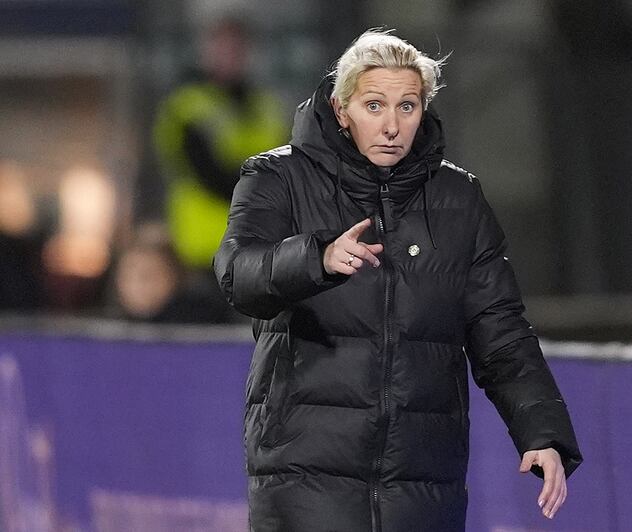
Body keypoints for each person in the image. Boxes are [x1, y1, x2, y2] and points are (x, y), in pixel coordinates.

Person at [214, 30, 582, 531]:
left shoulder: (459, 199)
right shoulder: (278, 178)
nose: (391, 125)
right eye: (374, 105)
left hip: (423, 478)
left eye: (407, 107)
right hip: (305, 473)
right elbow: (239, 275)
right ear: (342, 110)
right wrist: (316, 259)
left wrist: (541, 432)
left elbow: (500, 328)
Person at [154, 16, 289, 272]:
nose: (231, 56)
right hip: (202, 248)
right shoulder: (188, 106)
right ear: (206, 51)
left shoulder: (266, 106)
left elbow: (289, 165)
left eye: (237, 49)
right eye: (223, 48)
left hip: (259, 246)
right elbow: (208, 173)